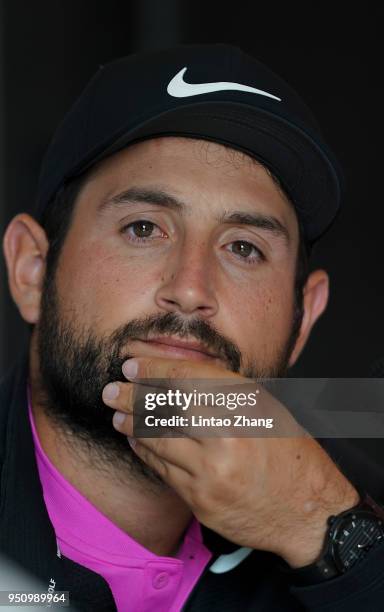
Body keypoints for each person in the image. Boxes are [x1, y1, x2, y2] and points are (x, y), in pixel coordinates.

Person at [1, 44, 384, 611]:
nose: (190, 287)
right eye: (143, 228)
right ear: (33, 271)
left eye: (244, 248)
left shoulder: (342, 495)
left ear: (303, 321)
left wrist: (320, 525)